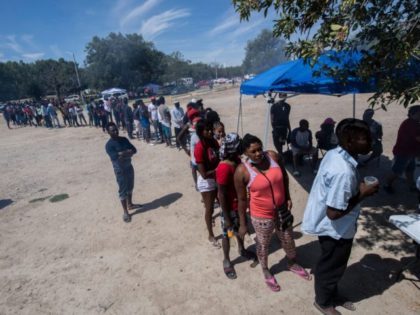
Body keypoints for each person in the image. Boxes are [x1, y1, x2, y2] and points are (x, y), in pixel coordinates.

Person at [302, 118, 379, 315]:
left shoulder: (336, 154)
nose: (371, 141)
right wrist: (362, 194)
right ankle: (323, 302)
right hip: (336, 229)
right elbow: (334, 213)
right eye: (365, 139)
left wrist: (357, 189)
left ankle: (332, 294)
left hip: (334, 226)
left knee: (332, 264)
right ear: (349, 141)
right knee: (331, 267)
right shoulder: (343, 171)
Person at [235, 134, 311, 292]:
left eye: (260, 149)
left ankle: (291, 262)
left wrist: (288, 196)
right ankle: (266, 270)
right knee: (263, 245)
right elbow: (242, 200)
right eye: (253, 151)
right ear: (245, 153)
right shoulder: (242, 171)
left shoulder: (273, 157)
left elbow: (284, 177)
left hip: (282, 210)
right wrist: (243, 224)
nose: (258, 154)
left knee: (288, 239)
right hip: (261, 215)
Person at [216, 133, 256, 279]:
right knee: (227, 234)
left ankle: (242, 249)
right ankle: (226, 259)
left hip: (238, 206)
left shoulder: (236, 161)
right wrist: (226, 217)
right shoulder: (224, 168)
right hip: (228, 209)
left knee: (239, 230)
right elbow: (221, 195)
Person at [105, 122, 141, 223]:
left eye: (116, 129)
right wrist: (127, 152)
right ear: (108, 132)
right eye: (113, 130)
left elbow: (134, 150)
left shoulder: (124, 139)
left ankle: (130, 204)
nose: (116, 131)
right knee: (122, 189)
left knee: (130, 186)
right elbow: (116, 157)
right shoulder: (109, 145)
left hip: (129, 166)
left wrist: (123, 153)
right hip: (120, 170)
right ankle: (125, 212)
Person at [194, 119, 220, 247]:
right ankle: (211, 234)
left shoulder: (213, 142)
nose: (210, 131)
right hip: (207, 182)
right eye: (207, 130)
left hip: (217, 178)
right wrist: (218, 169)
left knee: (223, 203)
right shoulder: (199, 148)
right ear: (200, 132)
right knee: (209, 209)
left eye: (211, 129)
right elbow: (203, 174)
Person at [384, 105, 420, 193]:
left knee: (410, 170)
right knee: (397, 171)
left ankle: (412, 186)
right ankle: (387, 185)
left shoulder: (413, 123)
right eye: (419, 114)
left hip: (410, 152)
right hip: (403, 152)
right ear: (412, 114)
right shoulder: (411, 124)